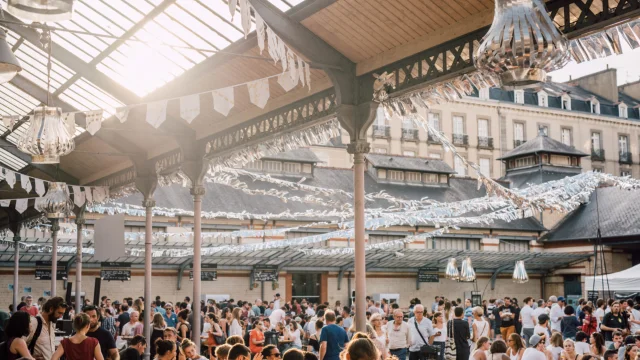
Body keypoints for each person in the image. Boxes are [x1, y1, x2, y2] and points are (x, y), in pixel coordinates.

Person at [27, 296, 67, 360]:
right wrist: (31, 358)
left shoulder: (52, 323)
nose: (60, 316)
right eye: (59, 313)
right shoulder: (34, 323)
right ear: (51, 309)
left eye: (62, 314)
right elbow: (18, 344)